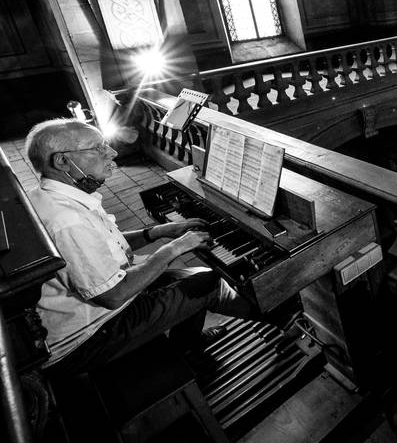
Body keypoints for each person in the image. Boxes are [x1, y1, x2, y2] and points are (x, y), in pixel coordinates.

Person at [24, 119, 287, 376]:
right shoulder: (66, 220)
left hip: (95, 310)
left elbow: (102, 242)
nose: (112, 153)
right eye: (98, 148)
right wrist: (173, 248)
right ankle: (282, 320)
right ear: (61, 161)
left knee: (193, 277)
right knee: (208, 284)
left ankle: (187, 345)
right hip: (88, 336)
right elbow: (113, 295)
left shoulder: (55, 195)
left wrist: (156, 232)